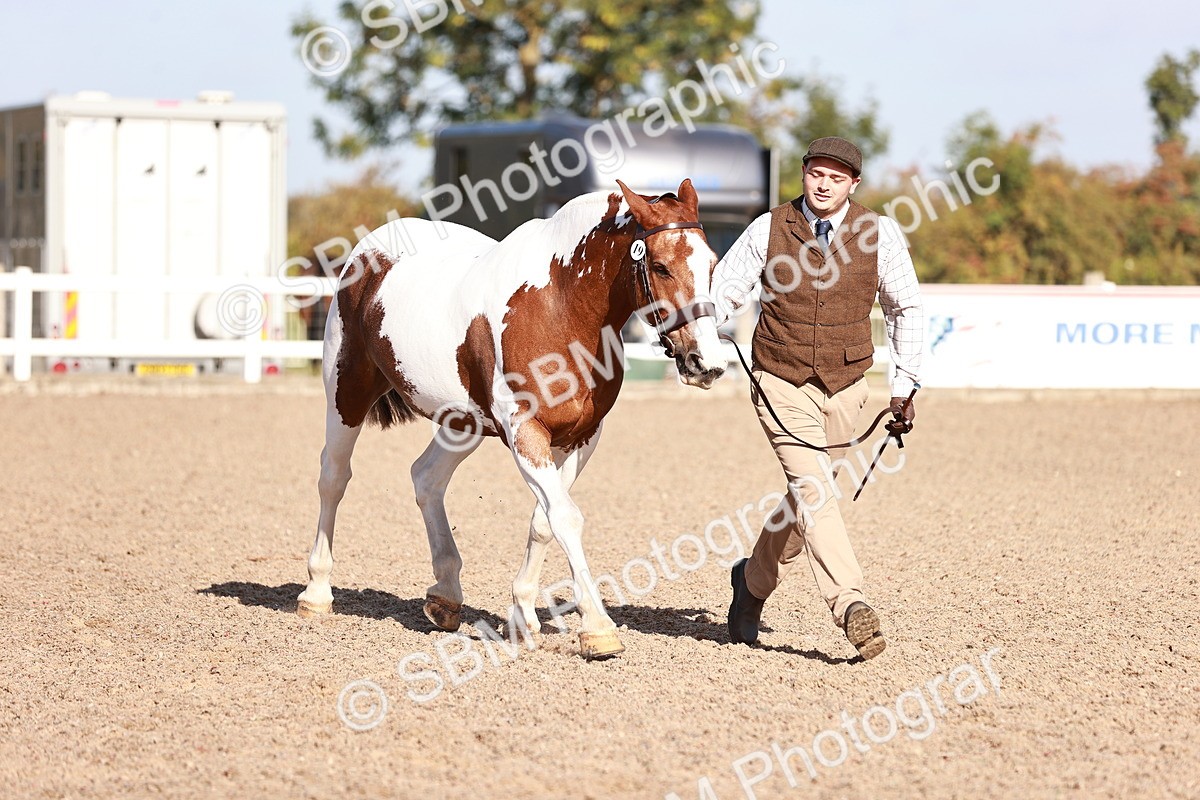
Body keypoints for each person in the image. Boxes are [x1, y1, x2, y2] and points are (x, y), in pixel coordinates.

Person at [712, 136, 923, 660]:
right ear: (803, 174)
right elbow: (725, 288)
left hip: (848, 385)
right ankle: (850, 603)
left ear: (853, 184)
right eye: (815, 174)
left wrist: (905, 386)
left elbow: (907, 309)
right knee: (814, 489)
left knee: (810, 498)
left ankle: (752, 581)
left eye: (835, 177)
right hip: (778, 379)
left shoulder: (880, 233)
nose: (823, 184)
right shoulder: (769, 227)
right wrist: (705, 329)